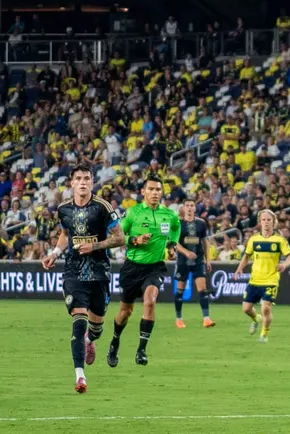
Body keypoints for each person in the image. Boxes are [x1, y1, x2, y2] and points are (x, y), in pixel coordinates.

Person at [41, 166, 123, 393]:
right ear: (72, 183)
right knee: (78, 322)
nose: (83, 182)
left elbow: (120, 238)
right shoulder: (63, 209)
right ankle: (80, 376)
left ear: (92, 182)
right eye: (78, 178)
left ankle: (90, 341)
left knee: (96, 328)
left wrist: (95, 245)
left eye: (87, 178)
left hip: (99, 274)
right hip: (74, 272)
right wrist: (55, 254)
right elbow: (65, 234)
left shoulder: (103, 207)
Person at [110, 177, 180, 367]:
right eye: (151, 189)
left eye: (158, 189)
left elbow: (176, 228)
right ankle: (115, 341)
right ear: (143, 192)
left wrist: (172, 245)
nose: (155, 192)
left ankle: (141, 349)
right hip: (132, 267)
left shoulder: (169, 215)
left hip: (155, 267)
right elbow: (118, 236)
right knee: (125, 312)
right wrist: (135, 240)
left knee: (150, 301)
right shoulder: (133, 213)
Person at [234, 210, 290, 343]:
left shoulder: (279, 240)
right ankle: (256, 319)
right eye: (264, 220)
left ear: (274, 222)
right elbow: (247, 256)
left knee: (266, 307)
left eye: (269, 220)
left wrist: (284, 265)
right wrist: (239, 268)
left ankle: (264, 335)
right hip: (255, 279)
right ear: (260, 222)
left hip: (271, 280)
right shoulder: (254, 239)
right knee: (246, 308)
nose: (266, 222)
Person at [173, 199, 214, 329]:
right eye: (187, 206)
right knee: (180, 290)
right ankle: (179, 319)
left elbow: (205, 242)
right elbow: (175, 243)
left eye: (192, 205)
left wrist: (208, 260)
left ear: (195, 208)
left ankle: (206, 319)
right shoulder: (178, 224)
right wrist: (186, 252)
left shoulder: (201, 223)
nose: (190, 208)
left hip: (198, 260)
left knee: (202, 289)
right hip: (182, 261)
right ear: (183, 208)